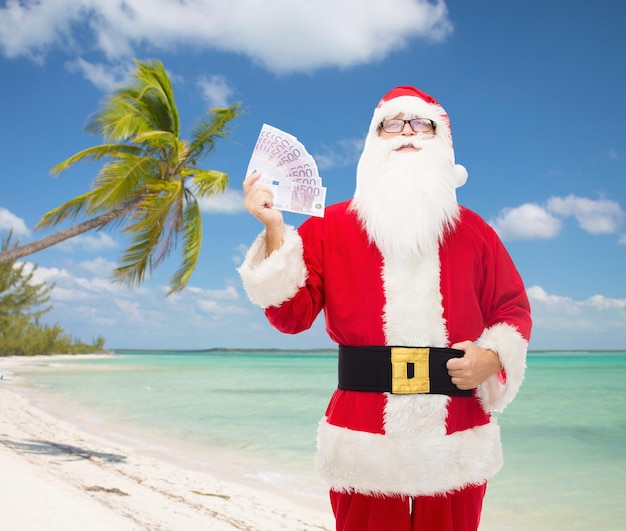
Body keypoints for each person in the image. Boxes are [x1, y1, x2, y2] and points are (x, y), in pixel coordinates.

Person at [238, 86, 531, 531]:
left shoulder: (476, 232)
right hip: (362, 435)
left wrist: (491, 358)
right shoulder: (329, 227)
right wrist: (276, 229)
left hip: (457, 432)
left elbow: (512, 309)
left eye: (421, 124)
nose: (407, 133)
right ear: (373, 141)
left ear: (443, 142)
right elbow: (289, 316)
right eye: (392, 124)